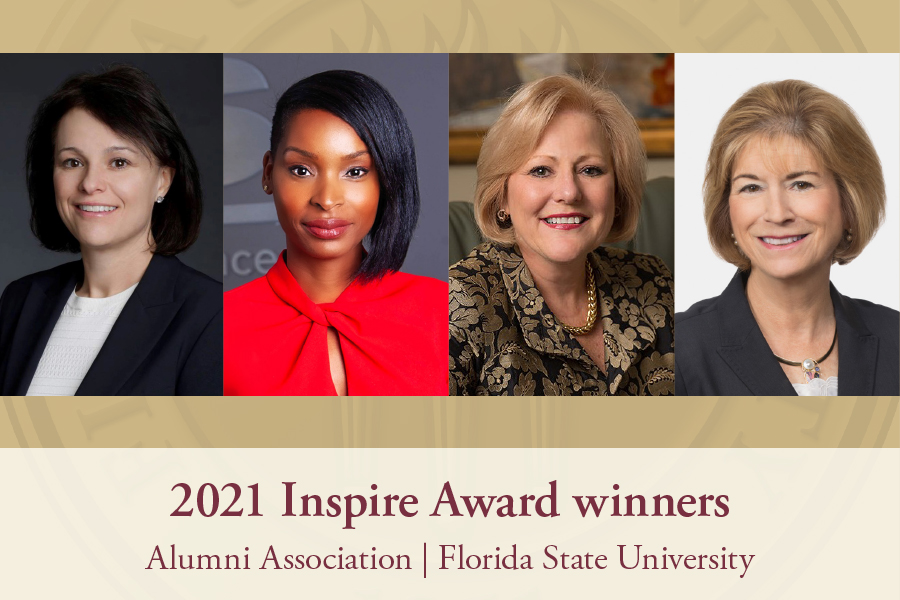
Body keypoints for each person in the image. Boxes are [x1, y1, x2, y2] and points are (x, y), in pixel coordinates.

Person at [0, 65, 222, 396]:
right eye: (72, 162)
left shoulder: (213, 314)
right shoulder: (20, 301)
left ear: (163, 180)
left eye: (118, 162)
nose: (90, 184)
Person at [223, 70, 447, 396]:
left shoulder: (444, 310)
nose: (326, 199)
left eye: (355, 171)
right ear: (269, 173)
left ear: (387, 178)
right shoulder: (220, 324)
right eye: (302, 170)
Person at [449, 75, 674, 396]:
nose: (568, 192)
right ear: (502, 196)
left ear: (617, 192)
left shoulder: (654, 281)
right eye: (541, 170)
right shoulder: (458, 305)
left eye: (590, 170)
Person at [676, 80, 899, 396]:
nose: (777, 213)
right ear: (727, 211)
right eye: (751, 187)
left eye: (802, 184)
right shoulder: (677, 350)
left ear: (849, 202)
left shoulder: (895, 338)